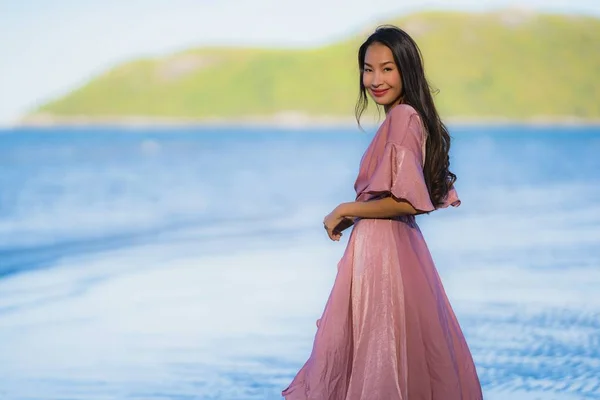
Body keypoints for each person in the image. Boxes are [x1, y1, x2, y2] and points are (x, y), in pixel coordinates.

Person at [281, 25, 483, 400]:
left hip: (385, 255)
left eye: (387, 69)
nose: (375, 79)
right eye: (368, 69)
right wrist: (357, 214)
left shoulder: (404, 117)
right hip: (393, 249)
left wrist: (346, 209)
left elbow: (409, 201)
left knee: (376, 360)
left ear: (406, 69)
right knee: (385, 359)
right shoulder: (404, 117)